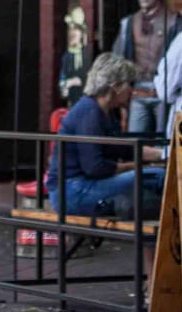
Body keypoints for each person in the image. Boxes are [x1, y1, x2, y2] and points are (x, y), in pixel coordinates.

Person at [44, 53, 165, 217]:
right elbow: (94, 167)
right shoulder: (89, 111)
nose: (132, 91)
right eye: (129, 84)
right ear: (116, 86)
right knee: (158, 177)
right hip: (72, 192)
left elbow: (122, 149)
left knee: (156, 176)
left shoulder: (105, 111)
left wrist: (163, 154)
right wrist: (135, 167)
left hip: (79, 187)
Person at [113, 0, 182, 135]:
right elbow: (118, 59)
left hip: (164, 92)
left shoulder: (173, 21)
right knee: (135, 142)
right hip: (137, 91)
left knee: (164, 141)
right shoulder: (129, 23)